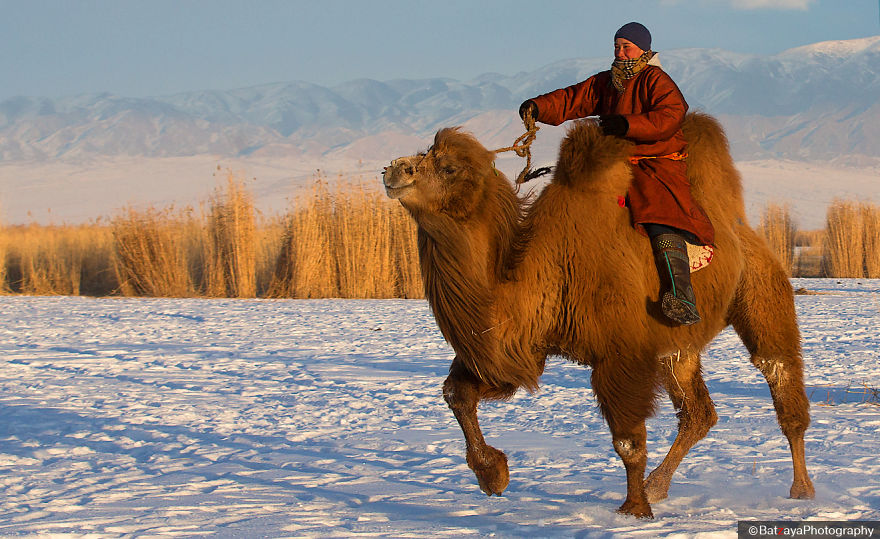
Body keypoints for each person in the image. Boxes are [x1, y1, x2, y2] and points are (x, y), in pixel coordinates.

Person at [519, 21, 713, 326]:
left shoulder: (656, 80)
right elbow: (573, 98)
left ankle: (681, 295)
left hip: (656, 159)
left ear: (644, 50)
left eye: (627, 46)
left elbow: (671, 114)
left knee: (659, 212)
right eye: (616, 46)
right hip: (618, 158)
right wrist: (538, 107)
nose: (620, 52)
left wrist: (627, 125)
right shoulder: (607, 82)